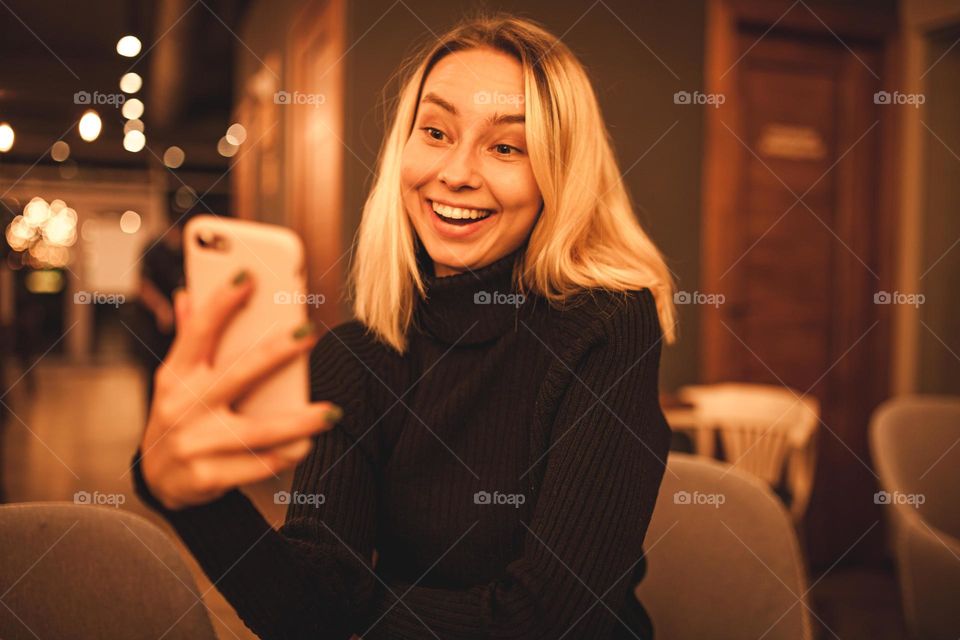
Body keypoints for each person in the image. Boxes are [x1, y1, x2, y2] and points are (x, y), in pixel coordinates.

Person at [131, 14, 678, 640]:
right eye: (436, 132)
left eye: (506, 146)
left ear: (559, 174)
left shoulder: (607, 326)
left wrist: (338, 622)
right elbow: (308, 604)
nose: (456, 172)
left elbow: (550, 622)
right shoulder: (354, 357)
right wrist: (188, 497)